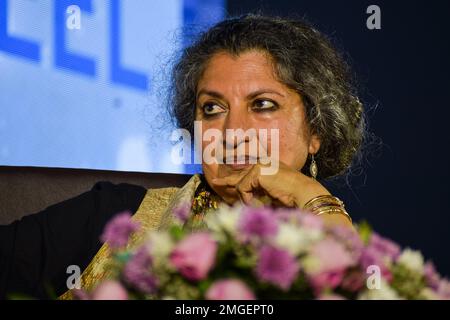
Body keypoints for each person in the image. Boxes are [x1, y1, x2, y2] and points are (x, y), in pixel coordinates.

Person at [0, 14, 365, 299]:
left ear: (316, 131)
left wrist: (313, 201)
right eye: (212, 108)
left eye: (263, 104)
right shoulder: (115, 217)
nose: (233, 131)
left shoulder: (344, 247)